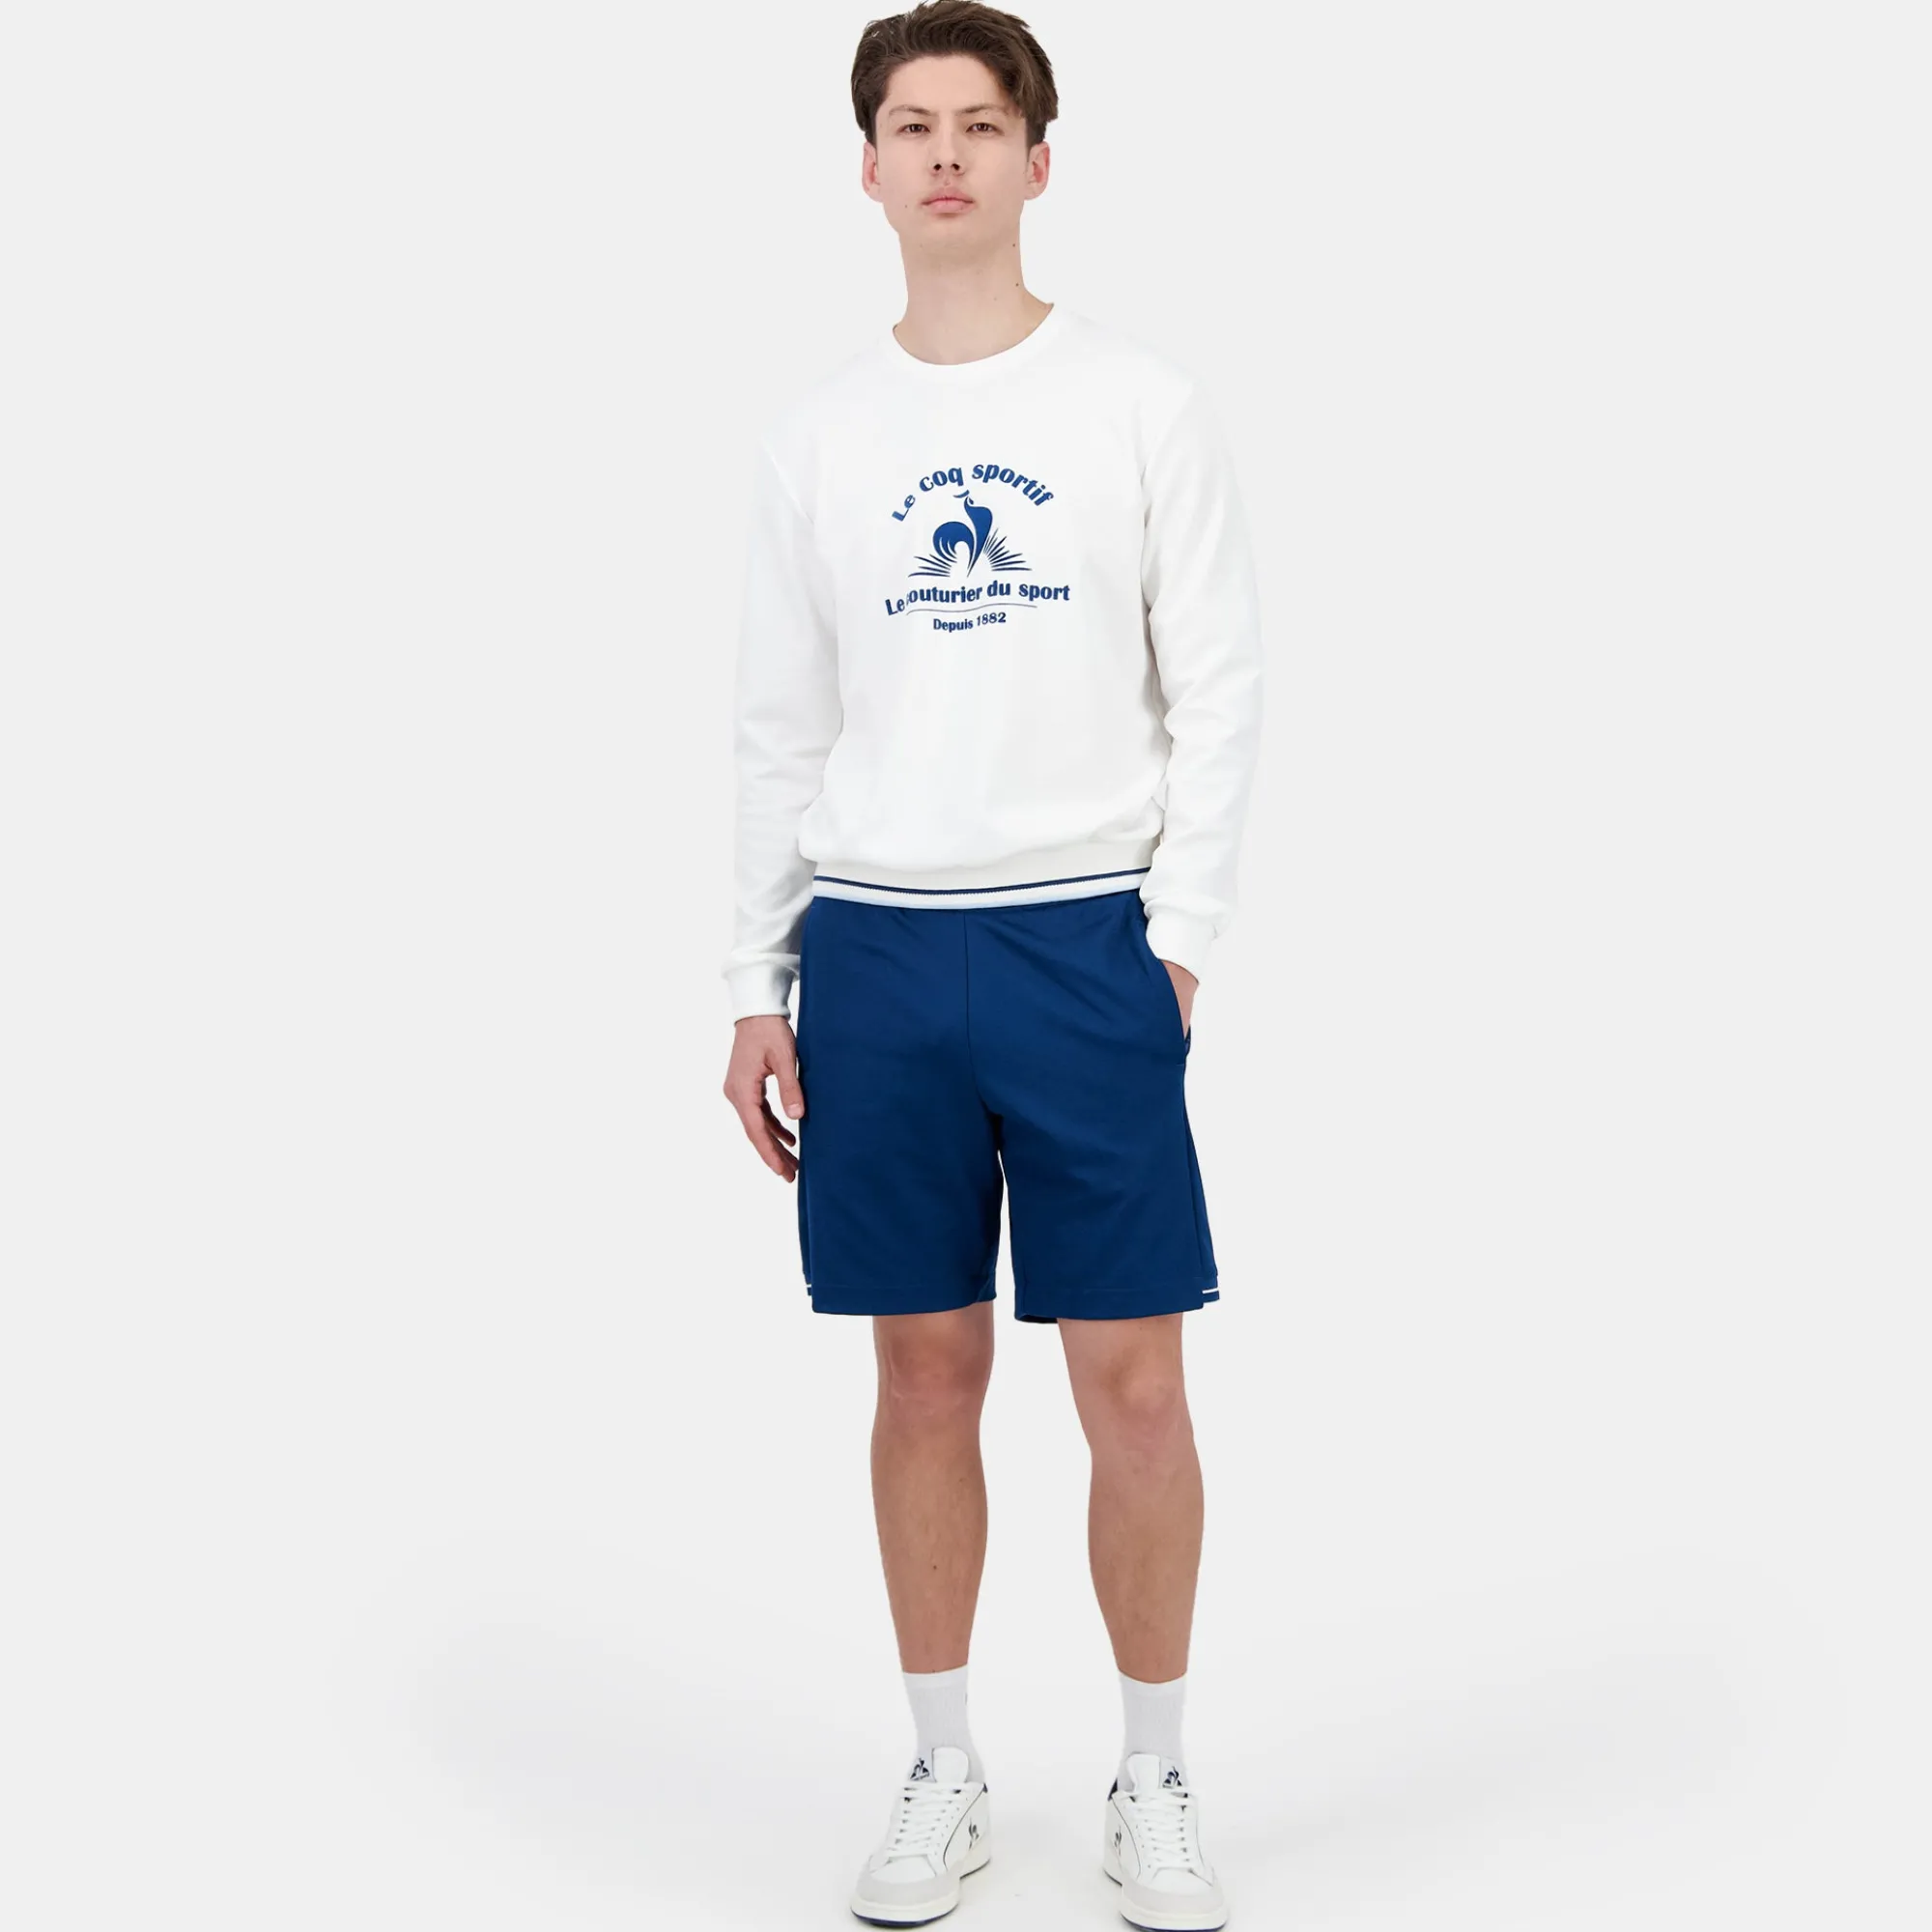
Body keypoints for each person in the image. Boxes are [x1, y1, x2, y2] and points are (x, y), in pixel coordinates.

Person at [719, 5, 1263, 1924]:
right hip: (875, 948)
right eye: (909, 124)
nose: (943, 153)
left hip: (1083, 938)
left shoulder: (1137, 405)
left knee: (1135, 1384)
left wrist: (1172, 945)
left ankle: (1154, 1773)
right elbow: (779, 727)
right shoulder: (819, 439)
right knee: (923, 1369)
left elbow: (1219, 686)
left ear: (1040, 159)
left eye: (977, 122)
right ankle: (942, 1763)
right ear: (866, 169)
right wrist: (756, 976)